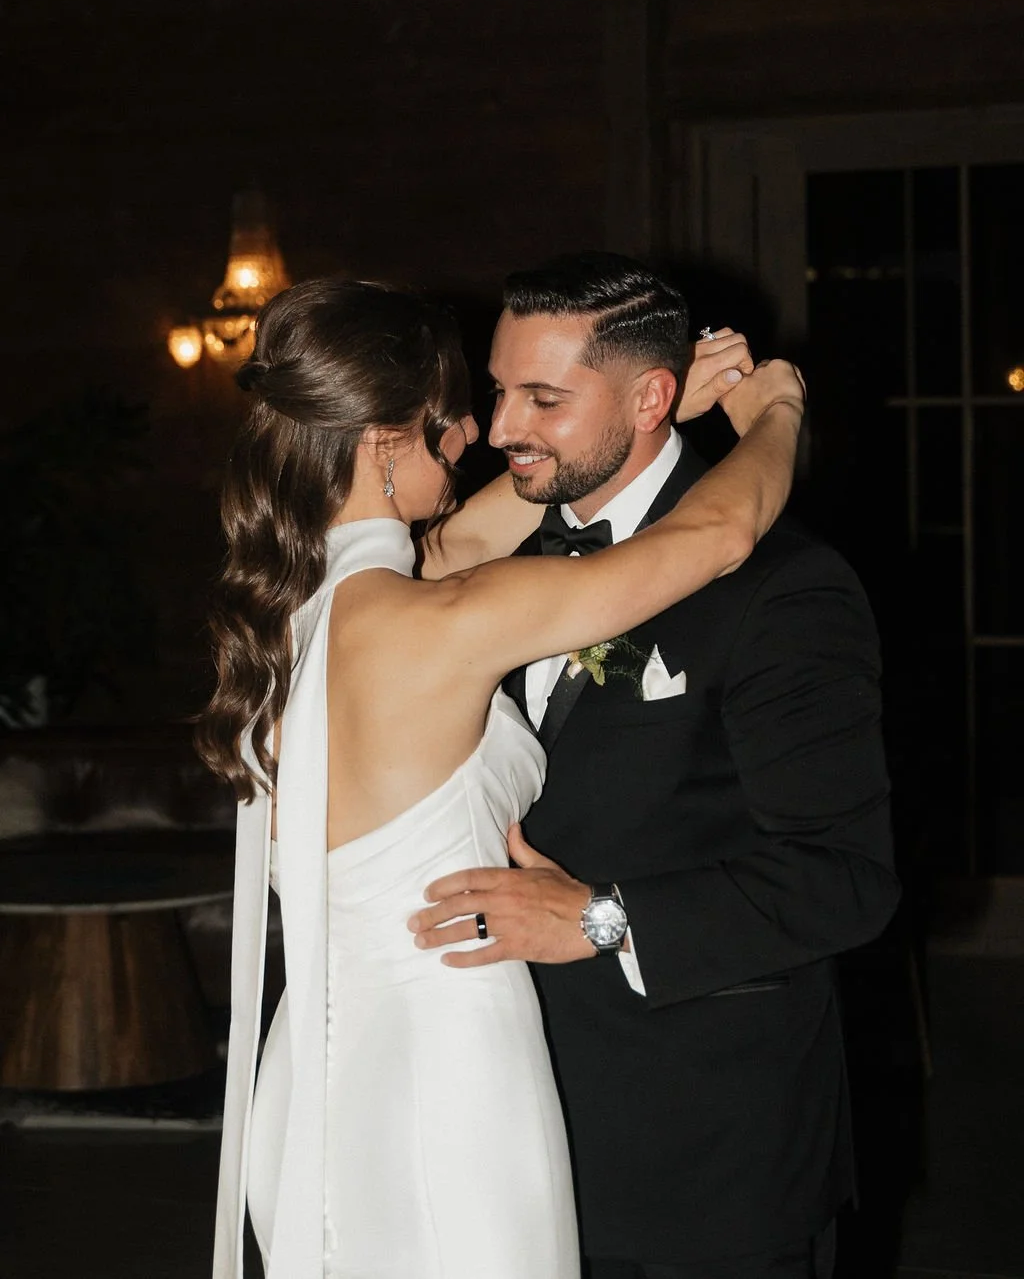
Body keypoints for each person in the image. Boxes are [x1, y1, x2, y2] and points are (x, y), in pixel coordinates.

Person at [199, 275, 804, 1279]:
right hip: (445, 1066)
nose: (479, 429)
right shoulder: (430, 620)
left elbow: (468, 538)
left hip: (320, 1070)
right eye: (448, 421)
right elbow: (715, 537)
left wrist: (641, 410)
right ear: (380, 441)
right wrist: (774, 411)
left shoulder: (301, 609)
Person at [412, 253, 902, 1279]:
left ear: (651, 398)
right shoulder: (490, 562)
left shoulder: (787, 588)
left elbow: (842, 877)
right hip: (508, 1129)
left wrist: (598, 916)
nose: (502, 429)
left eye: (542, 397)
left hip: (704, 1157)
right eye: (501, 389)